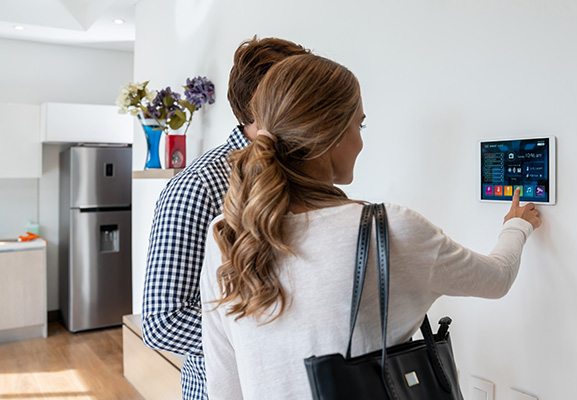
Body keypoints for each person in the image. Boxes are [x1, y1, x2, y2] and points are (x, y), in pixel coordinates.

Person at [199, 53, 542, 400]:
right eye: (359, 125)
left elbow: (224, 381)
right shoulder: (387, 229)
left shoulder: (228, 234)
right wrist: (516, 227)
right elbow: (496, 279)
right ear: (332, 134)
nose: (361, 141)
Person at [142, 37, 310, 400]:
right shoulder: (197, 187)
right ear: (269, 103)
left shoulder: (302, 175)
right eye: (303, 91)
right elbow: (162, 322)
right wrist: (277, 336)